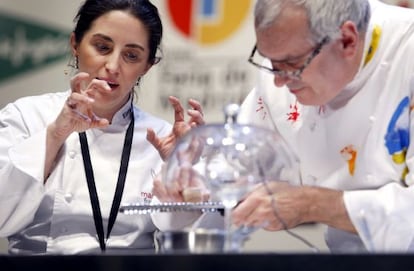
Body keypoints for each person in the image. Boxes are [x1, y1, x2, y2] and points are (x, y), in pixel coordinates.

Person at [0, 0, 204, 254]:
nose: (113, 67)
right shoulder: (26, 116)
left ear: (147, 65)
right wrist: (55, 135)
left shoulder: (163, 138)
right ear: (75, 44)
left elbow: (184, 241)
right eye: (102, 47)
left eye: (131, 55)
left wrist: (182, 173)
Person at [230, 0, 414, 252]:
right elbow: (242, 165)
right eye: (271, 63)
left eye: (293, 64)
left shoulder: (407, 51)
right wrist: (194, 171)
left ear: (347, 40)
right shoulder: (284, 65)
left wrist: (313, 204)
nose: (279, 82)